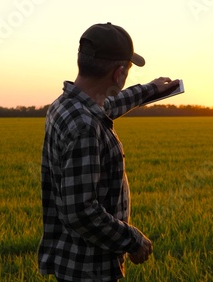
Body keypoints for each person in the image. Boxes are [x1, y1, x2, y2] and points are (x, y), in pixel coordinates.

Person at [38, 22, 179, 281]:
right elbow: (80, 211)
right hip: (90, 268)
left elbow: (108, 104)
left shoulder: (65, 105)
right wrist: (132, 239)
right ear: (118, 74)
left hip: (71, 262)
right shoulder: (85, 127)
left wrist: (150, 89)